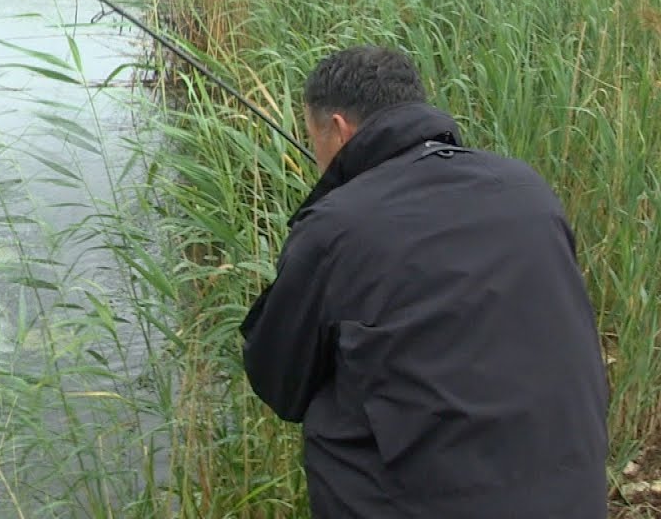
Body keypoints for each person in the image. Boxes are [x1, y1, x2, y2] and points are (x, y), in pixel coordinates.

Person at [239, 45, 610, 518]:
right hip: (572, 501)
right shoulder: (528, 191)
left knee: (332, 399)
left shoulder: (336, 227)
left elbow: (279, 381)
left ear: (337, 129)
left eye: (312, 138)